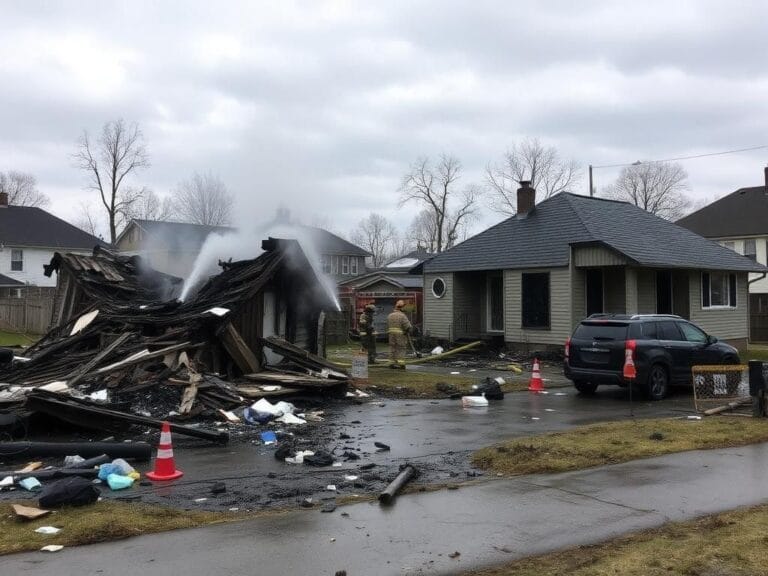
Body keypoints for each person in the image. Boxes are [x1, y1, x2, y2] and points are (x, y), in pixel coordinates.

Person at [387, 300, 411, 369]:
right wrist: (407, 331)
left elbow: (388, 325)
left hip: (391, 335)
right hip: (400, 335)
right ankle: (401, 364)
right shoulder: (402, 316)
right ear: (402, 308)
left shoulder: (390, 315)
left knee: (392, 348)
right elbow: (408, 326)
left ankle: (391, 363)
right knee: (401, 348)